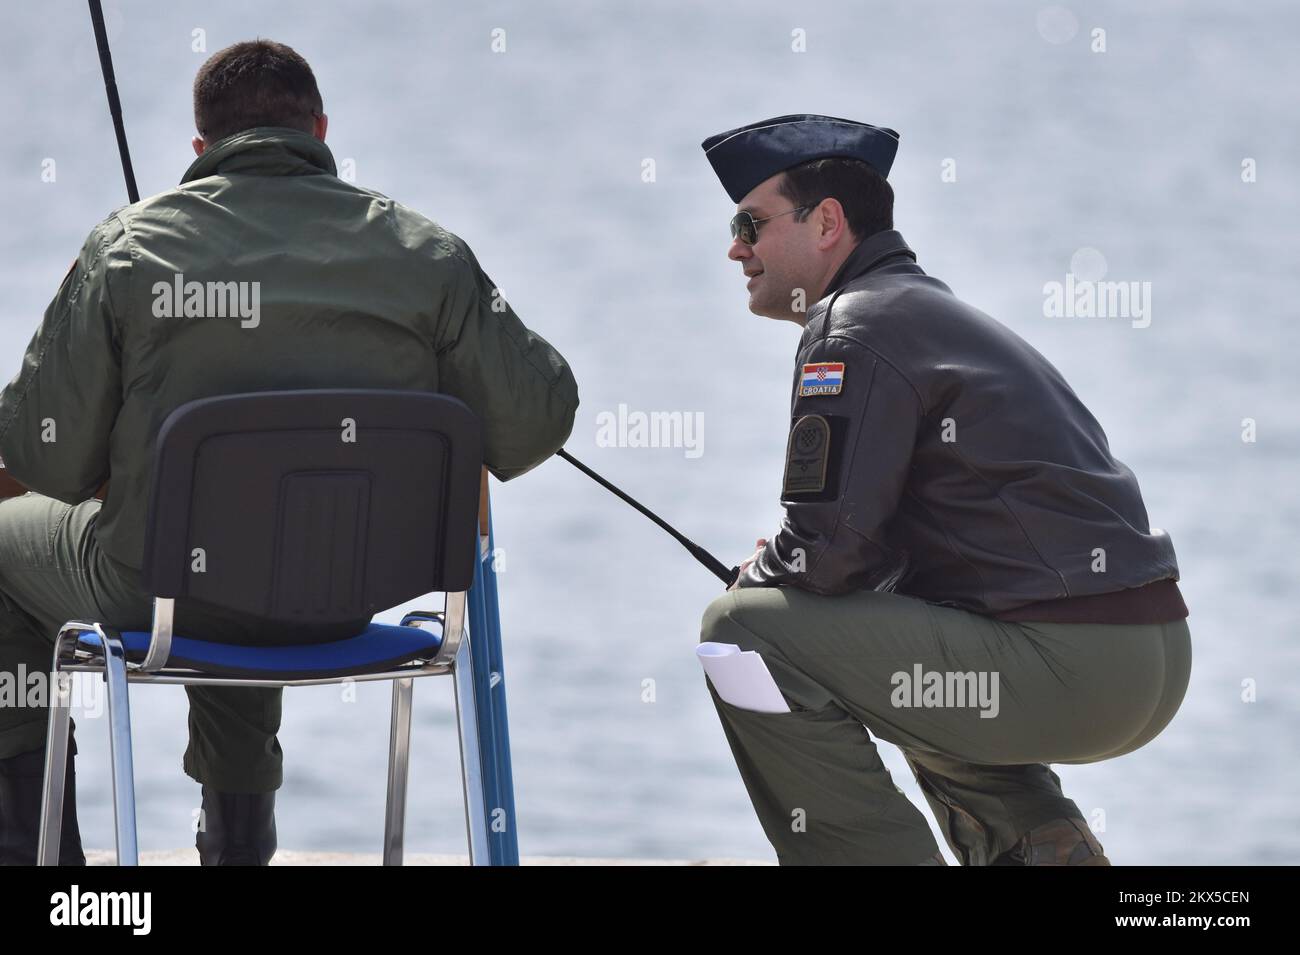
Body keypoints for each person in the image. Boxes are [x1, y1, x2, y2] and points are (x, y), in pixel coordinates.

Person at [0, 40, 578, 865]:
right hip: (354, 594)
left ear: (201, 150)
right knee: (251, 549)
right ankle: (239, 843)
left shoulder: (129, 249)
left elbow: (44, 457)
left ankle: (33, 853)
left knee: (177, 556)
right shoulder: (429, 255)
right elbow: (535, 423)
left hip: (164, 592)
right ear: (320, 128)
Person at [697, 114, 1191, 866]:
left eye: (750, 223)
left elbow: (826, 555)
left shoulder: (849, 326)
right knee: (880, 643)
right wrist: (798, 573)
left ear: (826, 222)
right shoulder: (926, 312)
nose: (736, 247)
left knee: (741, 631)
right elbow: (869, 555)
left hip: (1069, 665)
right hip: (1143, 662)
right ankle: (1038, 848)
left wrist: (762, 578)